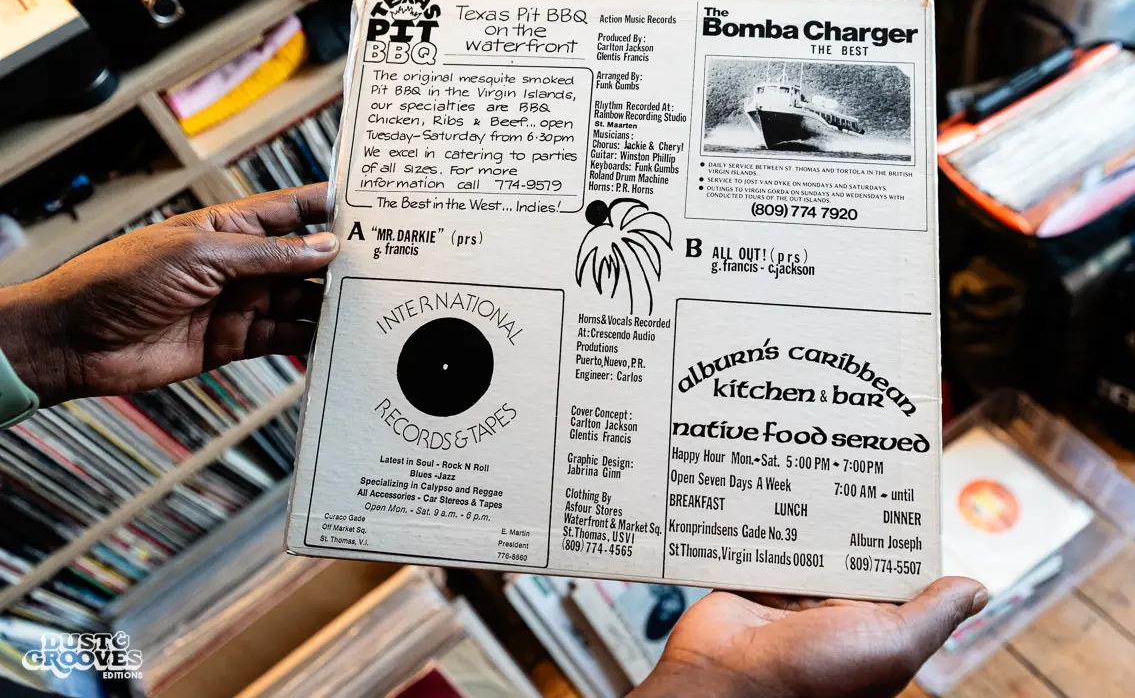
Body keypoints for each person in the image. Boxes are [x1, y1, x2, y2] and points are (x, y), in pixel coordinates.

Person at [0, 183, 986, 697]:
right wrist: (728, 685)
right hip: (77, 646)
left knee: (87, 653)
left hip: (60, 646)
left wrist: (40, 336)